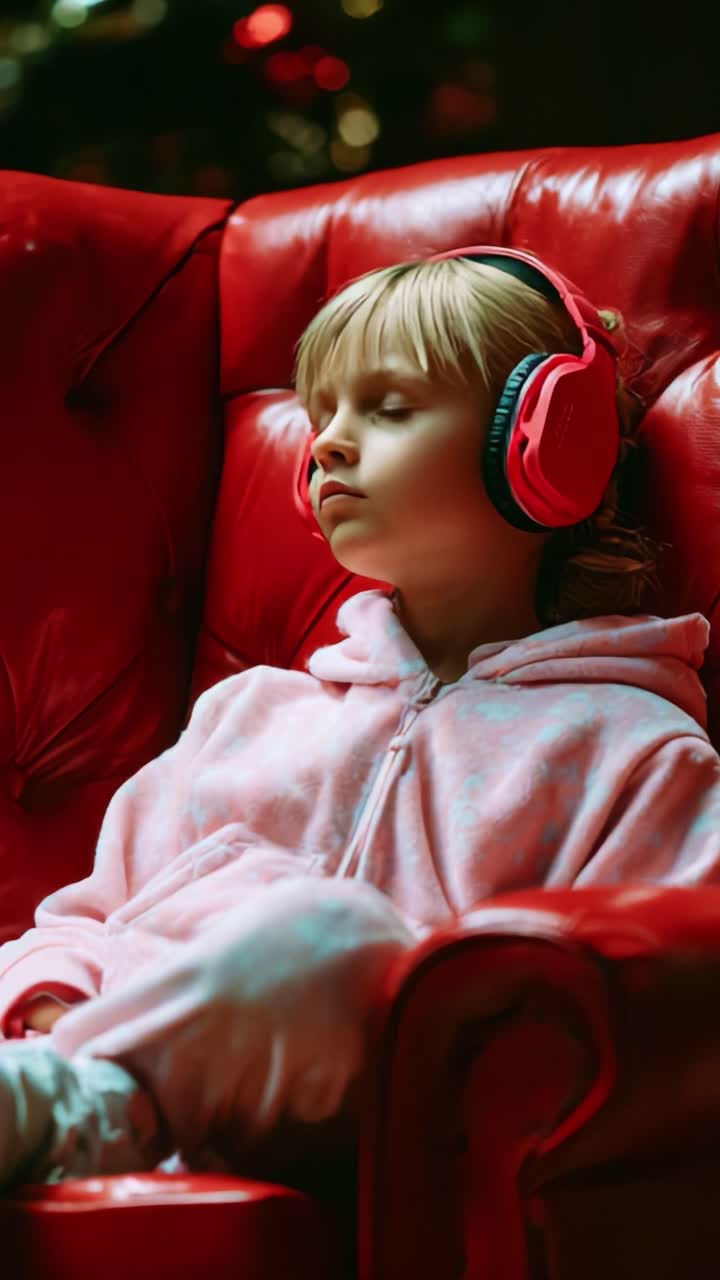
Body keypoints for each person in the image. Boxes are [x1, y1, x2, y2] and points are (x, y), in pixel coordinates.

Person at [2, 245, 720, 1196]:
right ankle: (89, 1099)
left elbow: (648, 1022)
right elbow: (77, 925)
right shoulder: (249, 713)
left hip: (377, 1118)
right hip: (110, 1082)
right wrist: (62, 1008)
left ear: (547, 440)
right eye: (324, 414)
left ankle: (69, 1108)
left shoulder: (634, 753)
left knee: (324, 936)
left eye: (388, 409)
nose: (328, 444)